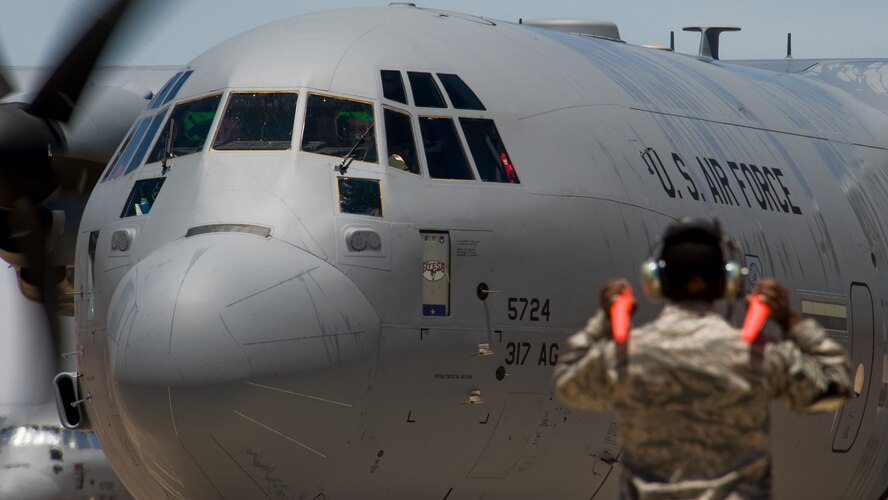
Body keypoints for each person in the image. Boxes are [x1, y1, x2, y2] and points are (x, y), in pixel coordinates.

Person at [554, 217, 852, 499]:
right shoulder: (754, 355)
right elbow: (836, 384)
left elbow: (567, 383)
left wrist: (604, 320)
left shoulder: (630, 355)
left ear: (657, 281)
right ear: (727, 283)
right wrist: (789, 320)